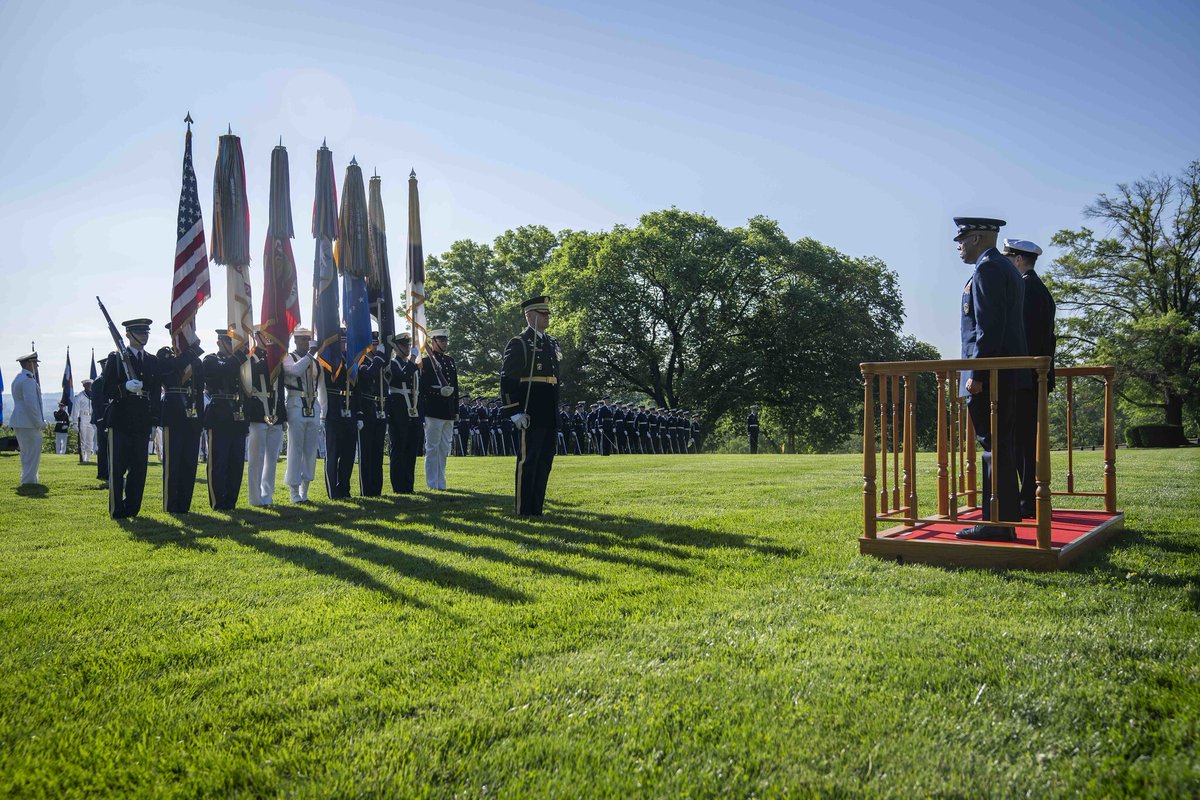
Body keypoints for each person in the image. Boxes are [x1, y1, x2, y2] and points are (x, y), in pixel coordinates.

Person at [953, 217, 1030, 541]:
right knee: (1002, 448)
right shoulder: (1007, 268)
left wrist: (979, 375)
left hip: (993, 378)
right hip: (1008, 377)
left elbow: (989, 330)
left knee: (993, 448)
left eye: (963, 238)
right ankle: (1004, 522)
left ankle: (994, 524)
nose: (958, 245)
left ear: (979, 238)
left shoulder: (988, 269)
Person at [1002, 238, 1057, 519]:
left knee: (1022, 442)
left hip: (1026, 378)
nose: (1006, 262)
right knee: (1024, 441)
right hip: (1034, 378)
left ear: (1019, 260)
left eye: (1008, 257)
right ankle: (1029, 498)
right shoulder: (1038, 288)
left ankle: (1027, 500)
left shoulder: (1026, 288)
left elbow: (1023, 338)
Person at [500, 295, 561, 515]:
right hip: (530, 409)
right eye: (543, 314)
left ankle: (537, 508)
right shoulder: (520, 343)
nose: (547, 317)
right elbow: (508, 379)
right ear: (530, 315)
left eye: (547, 313)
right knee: (529, 460)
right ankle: (524, 509)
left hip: (548, 410)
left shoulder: (550, 342)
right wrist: (514, 411)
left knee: (545, 461)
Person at [102, 319, 162, 518]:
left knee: (139, 469)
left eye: (146, 332)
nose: (144, 336)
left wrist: (154, 421)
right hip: (120, 419)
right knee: (117, 468)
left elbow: (154, 393)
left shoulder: (152, 360)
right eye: (139, 332)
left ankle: (133, 508)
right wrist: (124, 388)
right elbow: (105, 390)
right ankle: (117, 510)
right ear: (128, 334)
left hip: (142, 420)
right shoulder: (117, 358)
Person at [158, 325, 205, 513]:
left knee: (189, 462)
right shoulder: (165, 355)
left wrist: (200, 418)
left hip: (192, 416)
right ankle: (171, 504)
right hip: (174, 413)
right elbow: (171, 369)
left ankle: (185, 504)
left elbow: (199, 390)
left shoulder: (196, 360)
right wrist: (193, 351)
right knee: (173, 462)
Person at [203, 329, 249, 510]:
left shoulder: (240, 361)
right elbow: (224, 371)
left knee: (236, 461)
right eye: (229, 343)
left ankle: (231, 500)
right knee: (219, 461)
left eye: (234, 343)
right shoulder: (211, 359)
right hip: (219, 414)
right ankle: (217, 501)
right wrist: (240, 355)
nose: (232, 347)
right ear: (219, 342)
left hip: (237, 415)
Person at [245, 327, 287, 506]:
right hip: (258, 414)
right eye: (266, 335)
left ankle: (267, 495)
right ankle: (255, 498)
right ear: (256, 337)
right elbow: (257, 372)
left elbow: (281, 388)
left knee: (272, 459)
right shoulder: (251, 358)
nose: (270, 338)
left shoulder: (278, 358)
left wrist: (283, 416)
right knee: (256, 458)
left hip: (275, 412)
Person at [282, 328, 320, 503]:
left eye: (309, 339)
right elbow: (294, 371)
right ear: (296, 341)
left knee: (310, 450)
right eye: (303, 339)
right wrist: (310, 355)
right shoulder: (288, 358)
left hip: (313, 405)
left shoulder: (314, 360)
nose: (307, 342)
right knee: (295, 449)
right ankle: (294, 491)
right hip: (296, 404)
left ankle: (305, 490)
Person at [320, 331, 359, 499]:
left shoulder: (352, 361)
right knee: (333, 453)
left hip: (349, 412)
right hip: (333, 411)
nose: (344, 345)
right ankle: (333, 491)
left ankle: (344, 488)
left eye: (346, 342)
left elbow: (357, 388)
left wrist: (359, 413)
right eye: (341, 342)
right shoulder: (328, 362)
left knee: (348, 454)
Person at [420, 329, 459, 490]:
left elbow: (455, 388)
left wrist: (456, 411)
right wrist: (438, 391)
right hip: (433, 410)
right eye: (441, 340)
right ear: (432, 342)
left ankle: (441, 482)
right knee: (432, 448)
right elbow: (422, 387)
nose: (444, 343)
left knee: (444, 449)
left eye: (445, 340)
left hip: (448, 411)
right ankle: (432, 483)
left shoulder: (450, 361)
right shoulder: (426, 362)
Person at [385, 331, 422, 493]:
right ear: (396, 347)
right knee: (399, 447)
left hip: (413, 408)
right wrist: (413, 360)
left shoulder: (411, 364)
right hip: (398, 406)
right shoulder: (393, 364)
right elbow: (402, 376)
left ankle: (409, 485)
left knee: (411, 448)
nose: (407, 348)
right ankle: (399, 486)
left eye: (408, 345)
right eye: (404, 345)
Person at [354, 333, 389, 496]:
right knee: (366, 451)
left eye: (377, 345)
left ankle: (377, 489)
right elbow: (368, 374)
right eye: (373, 345)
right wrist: (380, 357)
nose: (376, 348)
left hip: (380, 407)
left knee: (377, 451)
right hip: (367, 408)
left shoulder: (381, 363)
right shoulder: (361, 361)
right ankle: (366, 489)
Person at [10, 352, 45, 488]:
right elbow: (31, 404)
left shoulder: (19, 378)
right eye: (35, 363)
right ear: (29, 363)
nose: (36, 366)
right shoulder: (27, 380)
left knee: (27, 452)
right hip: (28, 422)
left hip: (21, 421)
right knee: (32, 452)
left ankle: (29, 479)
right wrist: (39, 422)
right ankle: (29, 481)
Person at [92, 358, 110, 485]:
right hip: (102, 418)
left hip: (108, 416)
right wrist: (101, 419)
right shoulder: (99, 381)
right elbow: (96, 403)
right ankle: (103, 472)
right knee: (103, 447)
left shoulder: (108, 380)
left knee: (108, 446)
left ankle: (107, 470)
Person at [74, 378, 95, 463]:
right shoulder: (80, 396)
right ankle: (82, 457)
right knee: (83, 439)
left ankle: (88, 458)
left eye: (90, 385)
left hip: (91, 418)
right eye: (87, 385)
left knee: (90, 439)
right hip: (83, 417)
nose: (89, 386)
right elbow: (75, 410)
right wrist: (74, 423)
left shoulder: (93, 395)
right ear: (84, 386)